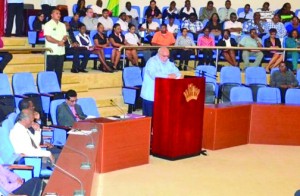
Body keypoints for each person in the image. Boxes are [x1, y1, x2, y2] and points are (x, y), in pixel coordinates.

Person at [141, 47, 182, 117]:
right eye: (164, 56)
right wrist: (168, 76)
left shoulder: (169, 62)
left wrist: (178, 76)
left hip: (163, 96)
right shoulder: (152, 61)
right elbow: (154, 75)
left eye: (167, 56)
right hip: (151, 96)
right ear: (159, 54)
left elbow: (177, 73)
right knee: (149, 120)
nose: (166, 58)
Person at [44, 9, 68, 87]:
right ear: (52, 15)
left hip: (61, 52)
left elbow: (65, 36)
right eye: (57, 13)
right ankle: (48, 89)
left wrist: (63, 40)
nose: (59, 15)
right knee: (50, 72)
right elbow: (48, 37)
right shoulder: (48, 24)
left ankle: (58, 89)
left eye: (60, 13)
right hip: (52, 52)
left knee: (59, 72)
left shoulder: (62, 25)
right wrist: (58, 42)